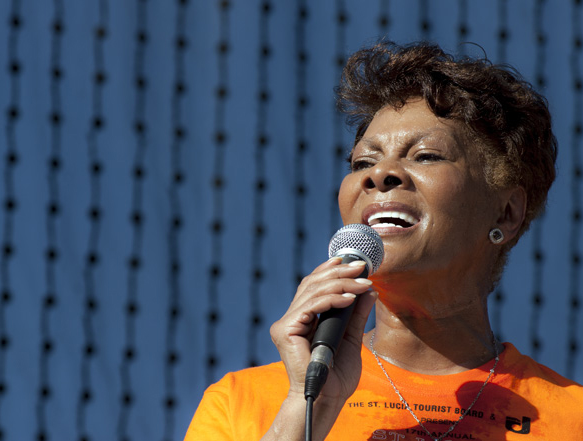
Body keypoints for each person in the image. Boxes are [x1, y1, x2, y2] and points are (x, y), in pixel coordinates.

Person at [184, 41, 583, 441]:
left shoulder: (570, 418)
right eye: (363, 162)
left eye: (426, 156)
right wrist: (311, 405)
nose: (379, 174)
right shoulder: (241, 404)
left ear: (506, 213)